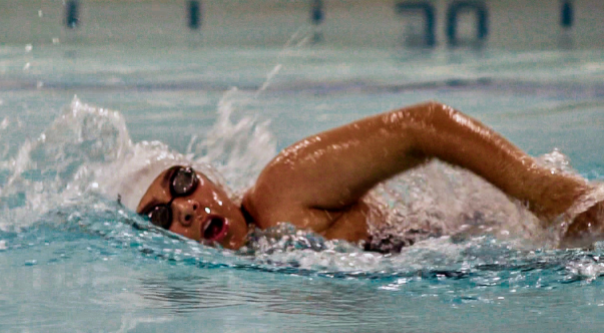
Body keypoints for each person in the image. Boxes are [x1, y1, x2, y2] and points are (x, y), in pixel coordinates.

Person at [117, 101, 604, 252]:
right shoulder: (262, 257)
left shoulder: (281, 190)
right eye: (159, 216)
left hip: (518, 238)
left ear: (211, 177)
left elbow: (424, 125)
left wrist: (549, 195)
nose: (183, 207)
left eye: (181, 183)